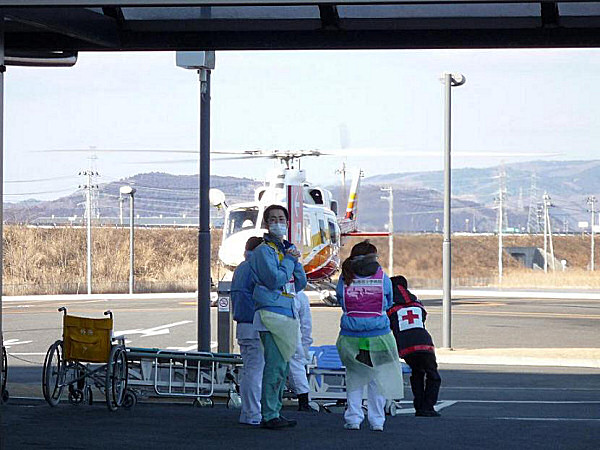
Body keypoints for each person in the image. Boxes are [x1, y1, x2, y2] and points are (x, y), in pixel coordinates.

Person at [336, 240, 404, 432]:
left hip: (350, 336)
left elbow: (341, 300)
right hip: (379, 335)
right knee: (377, 378)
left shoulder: (346, 277)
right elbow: (389, 301)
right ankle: (377, 421)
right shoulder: (383, 278)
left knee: (355, 376)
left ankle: (353, 418)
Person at [250, 204, 307, 429]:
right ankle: (269, 414)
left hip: (286, 311)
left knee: (282, 366)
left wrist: (294, 259)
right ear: (266, 224)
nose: (277, 222)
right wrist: (290, 262)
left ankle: (274, 410)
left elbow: (300, 283)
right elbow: (274, 280)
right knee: (274, 365)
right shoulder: (263, 251)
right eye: (272, 219)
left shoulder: (285, 250)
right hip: (271, 313)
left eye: (281, 218)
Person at [388, 275, 441, 417]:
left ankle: (419, 406)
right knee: (433, 375)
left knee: (417, 373)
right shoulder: (417, 303)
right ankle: (428, 406)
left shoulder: (390, 306)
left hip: (405, 345)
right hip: (424, 343)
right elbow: (423, 318)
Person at [231, 236, 264, 426]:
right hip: (255, 324)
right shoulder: (256, 268)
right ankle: (253, 412)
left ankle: (247, 411)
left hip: (242, 325)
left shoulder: (241, 268)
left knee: (248, 370)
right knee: (255, 371)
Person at [288, 290, 314, 412]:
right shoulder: (300, 296)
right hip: (292, 333)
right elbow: (306, 325)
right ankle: (303, 402)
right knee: (296, 364)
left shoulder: (268, 289)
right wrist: (305, 347)